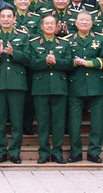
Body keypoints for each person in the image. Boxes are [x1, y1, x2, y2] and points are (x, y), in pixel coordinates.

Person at [0, 6, 28, 164]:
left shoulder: (23, 36)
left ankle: (15, 152)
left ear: (15, 18)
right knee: (0, 121)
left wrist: (13, 53)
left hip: (17, 83)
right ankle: (1, 151)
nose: (6, 19)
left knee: (17, 121)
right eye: (3, 16)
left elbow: (28, 57)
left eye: (10, 16)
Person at [67, 11, 103, 164]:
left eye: (87, 20)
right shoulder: (68, 40)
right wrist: (74, 62)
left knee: (97, 122)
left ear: (92, 23)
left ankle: (94, 152)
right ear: (76, 23)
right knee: (74, 122)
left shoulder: (100, 39)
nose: (84, 22)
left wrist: (90, 63)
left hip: (96, 85)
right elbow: (64, 60)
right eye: (81, 20)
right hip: (75, 85)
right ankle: (76, 152)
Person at [27, 15, 71, 164]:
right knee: (43, 122)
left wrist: (55, 62)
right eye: (47, 23)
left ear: (57, 26)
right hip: (41, 87)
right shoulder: (33, 43)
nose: (50, 26)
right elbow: (31, 63)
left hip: (59, 87)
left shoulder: (64, 43)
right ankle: (44, 153)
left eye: (53, 23)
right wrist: (44, 61)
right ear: (41, 26)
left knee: (59, 123)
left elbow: (69, 63)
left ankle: (57, 152)